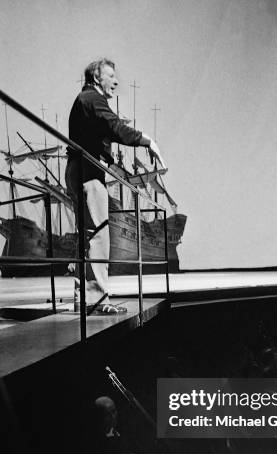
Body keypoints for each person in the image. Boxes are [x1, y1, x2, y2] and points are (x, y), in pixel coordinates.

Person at [65, 58, 165, 315]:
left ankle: (82, 297)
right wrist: (147, 141)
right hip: (88, 168)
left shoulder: (84, 100)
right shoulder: (92, 99)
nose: (117, 81)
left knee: (87, 235)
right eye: (111, 76)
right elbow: (115, 127)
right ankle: (97, 299)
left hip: (79, 167)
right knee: (98, 234)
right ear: (97, 78)